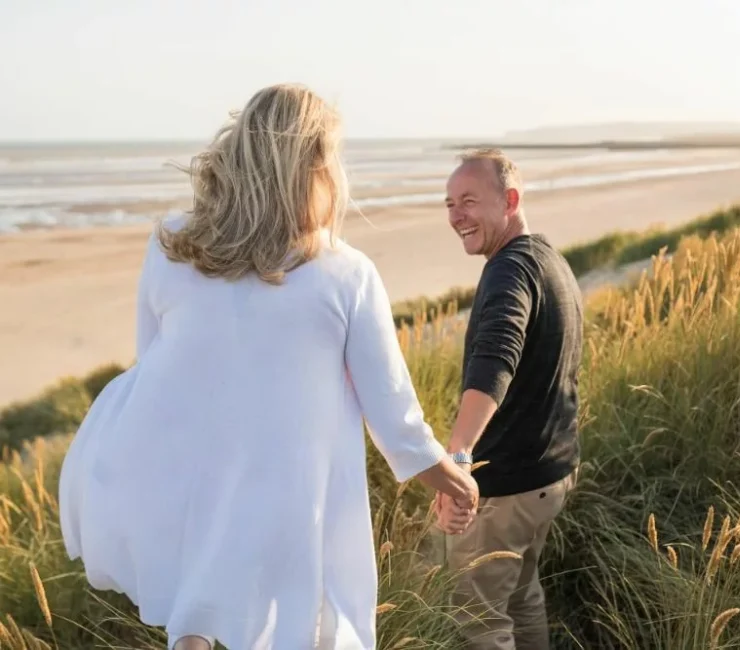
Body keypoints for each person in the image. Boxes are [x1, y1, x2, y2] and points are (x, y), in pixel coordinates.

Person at [57, 83, 478, 650]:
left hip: (200, 473)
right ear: (314, 168)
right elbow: (391, 409)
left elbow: (152, 366)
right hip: (296, 492)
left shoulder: (173, 246)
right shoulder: (344, 272)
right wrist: (448, 474)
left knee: (199, 618)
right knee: (302, 625)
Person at [434, 149, 583, 650]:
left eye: (469, 200)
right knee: (521, 600)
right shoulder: (550, 260)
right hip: (550, 477)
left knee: (480, 620)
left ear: (510, 200)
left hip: (508, 488)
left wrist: (457, 461)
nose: (456, 215)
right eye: (450, 203)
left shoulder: (509, 270)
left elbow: (495, 359)